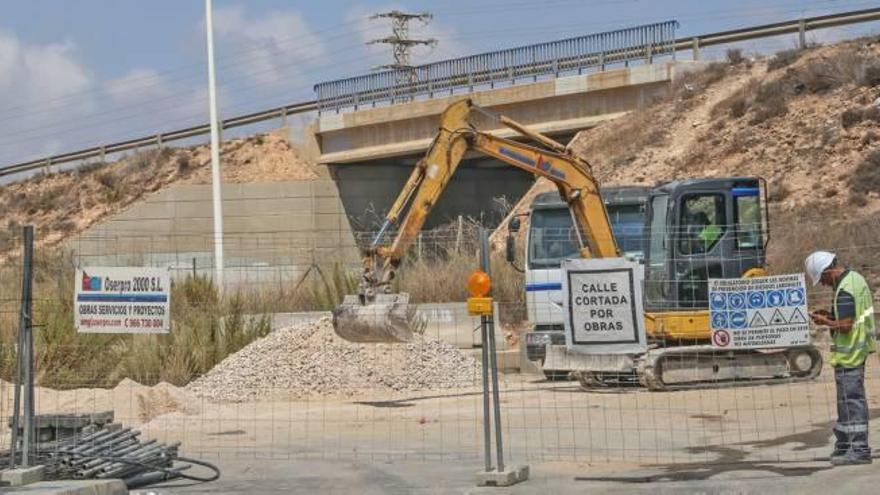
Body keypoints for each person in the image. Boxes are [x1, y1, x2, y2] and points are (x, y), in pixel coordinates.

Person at [805, 250, 876, 465]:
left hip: (851, 353)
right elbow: (848, 316)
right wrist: (829, 315)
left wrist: (825, 322)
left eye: (823, 279)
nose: (824, 284)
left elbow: (846, 326)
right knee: (846, 401)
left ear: (828, 271)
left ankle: (859, 449)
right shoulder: (854, 280)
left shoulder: (845, 289)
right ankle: (845, 445)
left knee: (852, 402)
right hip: (855, 351)